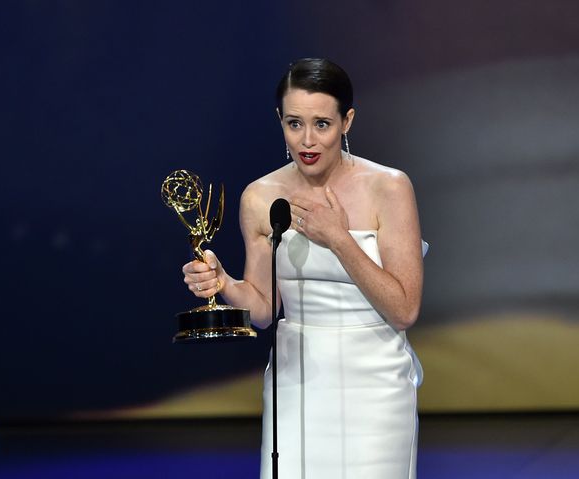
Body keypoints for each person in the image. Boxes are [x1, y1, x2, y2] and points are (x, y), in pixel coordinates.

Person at [182, 58, 424, 478]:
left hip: (376, 385)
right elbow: (261, 310)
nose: (307, 140)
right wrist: (225, 282)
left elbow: (404, 310)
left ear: (347, 121)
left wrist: (339, 239)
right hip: (296, 384)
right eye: (294, 123)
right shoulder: (261, 196)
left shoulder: (389, 187)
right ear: (280, 120)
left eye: (322, 124)